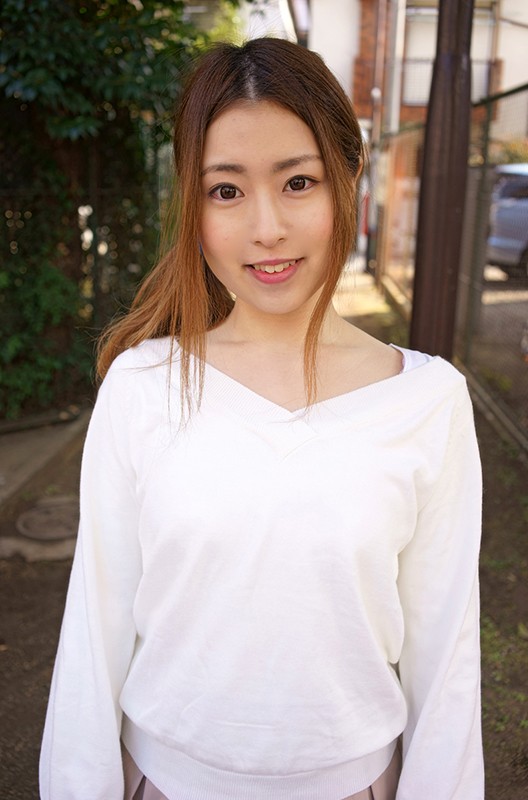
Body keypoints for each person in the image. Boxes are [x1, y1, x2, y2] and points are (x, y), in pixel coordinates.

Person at [40, 38, 484, 800]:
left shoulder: (426, 402)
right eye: (226, 190)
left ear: (348, 178)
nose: (266, 227)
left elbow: (445, 661)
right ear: (193, 204)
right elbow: (94, 632)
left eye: (297, 182)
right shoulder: (143, 387)